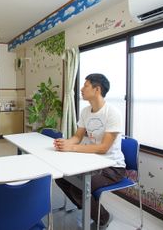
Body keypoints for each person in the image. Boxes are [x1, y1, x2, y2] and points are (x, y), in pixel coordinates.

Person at [53, 73, 125, 229]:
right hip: (93, 163)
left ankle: (103, 218)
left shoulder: (112, 113)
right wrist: (65, 143)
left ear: (97, 89)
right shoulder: (86, 111)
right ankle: (88, 208)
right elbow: (77, 137)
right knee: (61, 178)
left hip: (112, 167)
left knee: (79, 187)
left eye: (85, 85)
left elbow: (103, 148)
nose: (81, 88)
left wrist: (72, 148)